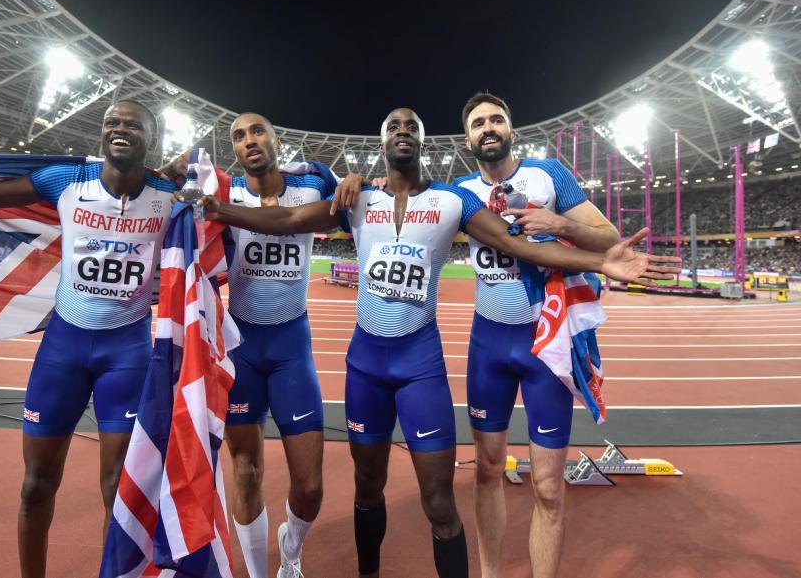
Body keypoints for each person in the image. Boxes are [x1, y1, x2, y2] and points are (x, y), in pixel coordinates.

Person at [191, 108, 678, 578]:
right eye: (392, 126)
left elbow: (516, 245)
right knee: (367, 488)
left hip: (420, 362)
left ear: (423, 140)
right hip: (365, 362)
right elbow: (292, 221)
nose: (402, 131)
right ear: (382, 144)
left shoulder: (453, 201)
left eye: (412, 125)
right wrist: (219, 210)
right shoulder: (357, 201)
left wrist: (599, 262)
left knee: (440, 501)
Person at [0, 100, 178, 578]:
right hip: (63, 350)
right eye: (111, 123)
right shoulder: (66, 181)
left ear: (151, 139)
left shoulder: (169, 193)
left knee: (117, 491)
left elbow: (225, 207)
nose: (119, 130)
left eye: (132, 125)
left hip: (127, 354)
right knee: (36, 485)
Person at [452, 92, 619, 578]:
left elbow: (608, 238)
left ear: (510, 129)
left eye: (496, 119)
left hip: (547, 345)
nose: (488, 127)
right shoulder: (458, 191)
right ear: (468, 138)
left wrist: (558, 222)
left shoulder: (549, 176)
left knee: (548, 486)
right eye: (479, 122)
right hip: (489, 345)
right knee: (486, 473)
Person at [222, 112, 361, 578]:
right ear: (234, 149)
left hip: (290, 348)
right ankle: (263, 573)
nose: (249, 140)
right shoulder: (224, 192)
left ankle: (292, 547)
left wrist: (354, 178)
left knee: (310, 484)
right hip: (240, 346)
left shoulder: (313, 182)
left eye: (257, 131)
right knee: (245, 470)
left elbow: (352, 198)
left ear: (276, 140)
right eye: (239, 136)